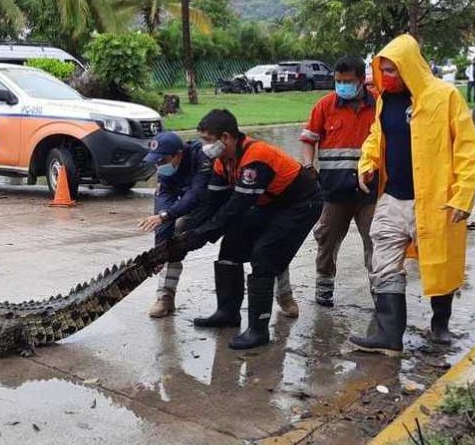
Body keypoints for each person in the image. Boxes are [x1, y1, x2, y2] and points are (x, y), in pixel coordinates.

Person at [350, 34, 475, 356]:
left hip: (437, 200)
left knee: (440, 263)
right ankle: (389, 336)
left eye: (392, 71)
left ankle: (440, 325)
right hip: (393, 198)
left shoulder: (445, 97)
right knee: (383, 261)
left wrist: (462, 197)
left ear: (409, 67)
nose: (386, 77)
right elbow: (376, 136)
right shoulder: (386, 100)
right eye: (383, 71)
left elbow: (468, 149)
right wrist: (368, 163)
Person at [169, 109, 322, 350]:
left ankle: (258, 330)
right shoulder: (222, 162)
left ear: (226, 138)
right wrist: (187, 232)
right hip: (269, 202)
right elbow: (212, 203)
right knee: (231, 247)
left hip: (300, 204)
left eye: (208, 140)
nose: (204, 146)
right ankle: (227, 313)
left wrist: (202, 235)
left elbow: (236, 207)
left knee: (264, 255)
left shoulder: (256, 157)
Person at [300, 56, 378, 307]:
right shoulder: (325, 106)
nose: (342, 85)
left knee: (376, 243)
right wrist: (308, 165)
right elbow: (309, 139)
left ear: (361, 80)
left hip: (370, 192)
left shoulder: (378, 105)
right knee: (327, 242)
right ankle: (324, 293)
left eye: (348, 81)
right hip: (334, 192)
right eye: (338, 81)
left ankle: (381, 296)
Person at [137, 131, 212, 318]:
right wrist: (159, 252)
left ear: (178, 154)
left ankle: (284, 295)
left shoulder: (202, 157)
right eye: (156, 161)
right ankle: (165, 296)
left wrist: (166, 215)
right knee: (172, 241)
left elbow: (195, 195)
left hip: (220, 204)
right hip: (194, 206)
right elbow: (163, 207)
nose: (159, 166)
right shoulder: (166, 173)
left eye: (162, 161)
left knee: (259, 245)